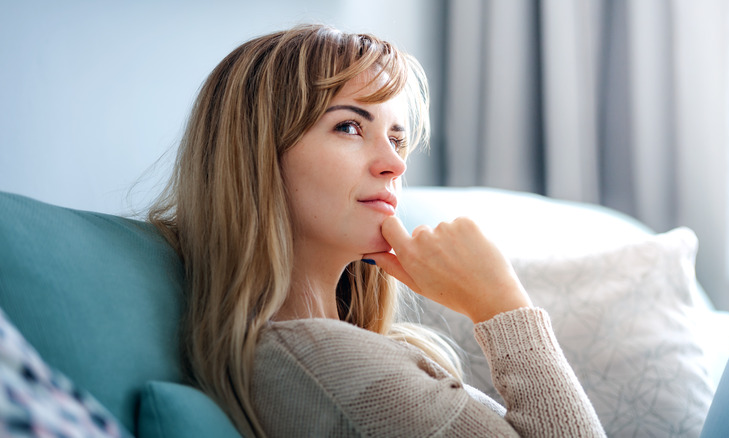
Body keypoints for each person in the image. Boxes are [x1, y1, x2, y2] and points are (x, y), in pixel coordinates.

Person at [149, 24, 605, 437]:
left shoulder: (343, 348)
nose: (395, 164)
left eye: (397, 138)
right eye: (349, 127)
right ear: (256, 156)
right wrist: (502, 304)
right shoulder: (322, 360)